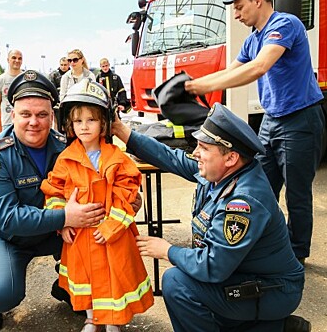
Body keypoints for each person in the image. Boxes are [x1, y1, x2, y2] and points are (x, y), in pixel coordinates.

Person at [112, 100, 311, 331]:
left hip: (271, 290)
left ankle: (270, 323)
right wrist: (121, 130)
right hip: (245, 275)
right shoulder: (221, 172)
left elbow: (213, 266)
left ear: (230, 158)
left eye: (204, 148)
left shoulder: (243, 203)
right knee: (193, 288)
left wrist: (167, 250)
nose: (196, 153)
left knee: (177, 283)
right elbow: (170, 157)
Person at [184, 0, 324, 264]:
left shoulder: (285, 24)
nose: (236, 14)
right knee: (259, 185)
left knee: (297, 194)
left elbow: (258, 67)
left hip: (300, 119)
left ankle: (296, 256)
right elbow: (230, 71)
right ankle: (264, 243)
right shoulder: (252, 39)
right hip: (272, 120)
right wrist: (190, 86)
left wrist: (198, 86)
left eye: (239, 6)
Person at [0, 70, 108, 332]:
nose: (34, 122)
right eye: (26, 114)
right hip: (4, 234)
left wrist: (126, 200)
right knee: (2, 294)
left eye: (42, 115)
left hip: (53, 231)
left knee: (100, 235)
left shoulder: (67, 146)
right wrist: (65, 217)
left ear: (52, 117)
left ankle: (67, 286)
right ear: (13, 115)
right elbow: (7, 218)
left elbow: (98, 182)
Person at [41, 79, 153, 332]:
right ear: (69, 124)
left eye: (90, 120)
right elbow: (54, 191)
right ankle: (92, 318)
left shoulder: (117, 159)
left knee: (116, 278)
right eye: (78, 121)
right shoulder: (65, 159)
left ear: (103, 123)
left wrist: (112, 226)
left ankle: (114, 320)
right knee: (85, 279)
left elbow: (127, 192)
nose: (83, 126)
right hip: (79, 236)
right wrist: (61, 221)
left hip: (114, 237)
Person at [0, 49, 23, 127]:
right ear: (8, 60)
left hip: (24, 122)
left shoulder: (25, 79)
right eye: (14, 57)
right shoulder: (0, 80)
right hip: (8, 123)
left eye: (20, 58)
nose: (17, 60)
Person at [48, 57, 70, 129]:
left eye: (65, 65)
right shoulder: (54, 75)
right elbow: (51, 89)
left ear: (68, 64)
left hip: (69, 101)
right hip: (57, 103)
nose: (63, 67)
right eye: (62, 65)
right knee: (58, 123)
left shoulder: (72, 74)